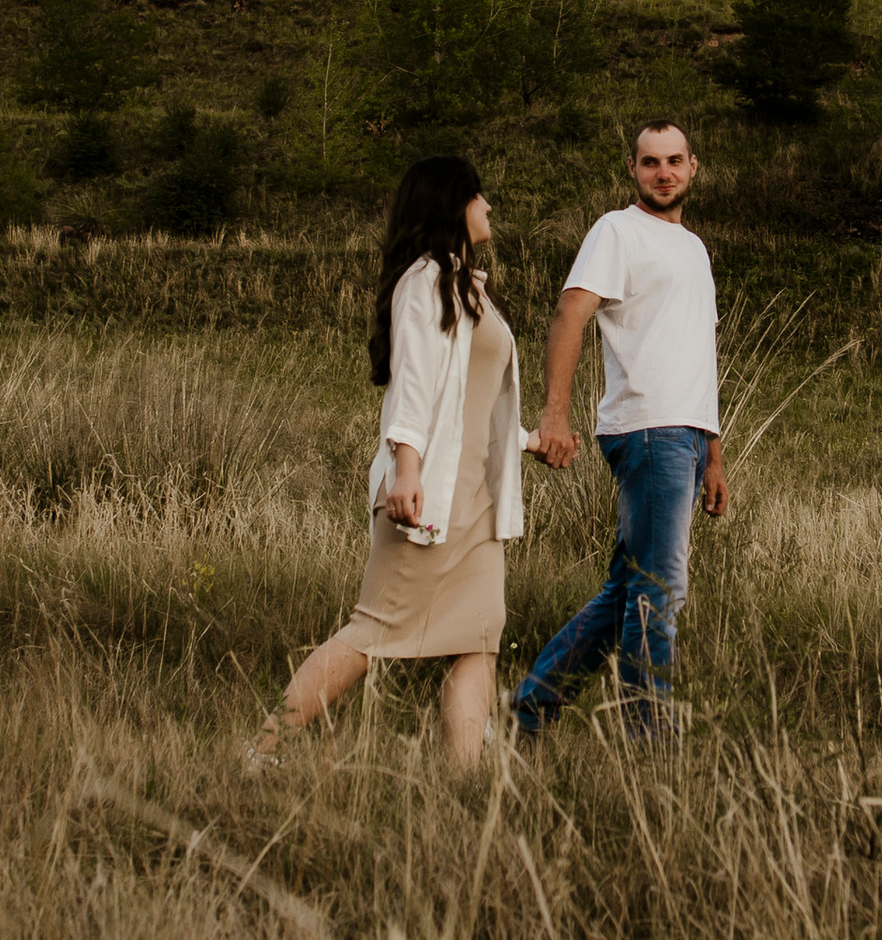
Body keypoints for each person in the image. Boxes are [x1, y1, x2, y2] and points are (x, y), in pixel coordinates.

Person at [252, 155, 527, 778]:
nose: (489, 207)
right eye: (478, 196)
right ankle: (263, 750)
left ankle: (463, 780)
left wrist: (528, 440)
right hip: (428, 494)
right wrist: (406, 472)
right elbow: (414, 386)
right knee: (373, 631)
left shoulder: (466, 284)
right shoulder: (424, 281)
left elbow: (466, 400)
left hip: (478, 500)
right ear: (450, 204)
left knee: (480, 637)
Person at [513, 120, 728, 743]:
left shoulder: (693, 248)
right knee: (660, 593)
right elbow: (570, 313)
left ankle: (529, 712)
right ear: (633, 170)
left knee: (627, 593)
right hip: (646, 429)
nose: (663, 172)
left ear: (693, 167)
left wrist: (713, 453)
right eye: (650, 162)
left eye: (674, 161)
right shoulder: (616, 230)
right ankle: (649, 747)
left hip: (685, 435)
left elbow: (700, 357)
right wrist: (555, 411)